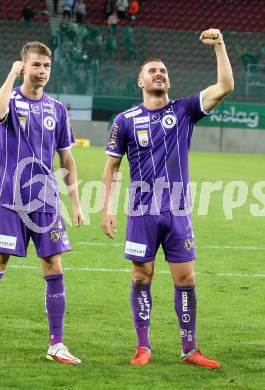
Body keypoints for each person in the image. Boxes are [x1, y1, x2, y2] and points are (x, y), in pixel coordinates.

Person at [102, 29, 234, 368]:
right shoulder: (125, 120)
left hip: (177, 210)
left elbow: (225, 87)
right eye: (152, 71)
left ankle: (189, 349)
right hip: (141, 212)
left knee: (185, 278)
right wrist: (107, 208)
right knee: (140, 276)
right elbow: (112, 166)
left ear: (168, 82)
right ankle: (142, 346)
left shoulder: (186, 110)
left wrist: (219, 45)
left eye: (163, 71)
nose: (159, 74)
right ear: (140, 82)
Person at [0, 41, 84, 364]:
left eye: (46, 66)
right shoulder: (10, 99)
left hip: (46, 202)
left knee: (53, 265)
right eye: (36, 65)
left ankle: (56, 344)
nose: (42, 71)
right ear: (24, 66)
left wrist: (75, 202)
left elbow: (67, 159)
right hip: (10, 200)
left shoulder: (57, 109)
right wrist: (11, 74)